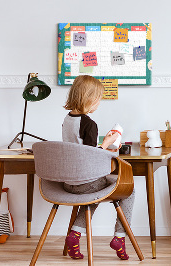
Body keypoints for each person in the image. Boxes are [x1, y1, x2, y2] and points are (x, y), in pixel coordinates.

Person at [62, 75, 135, 260]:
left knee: (93, 194)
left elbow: (80, 150)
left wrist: (105, 146)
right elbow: (91, 157)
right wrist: (107, 143)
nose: (98, 103)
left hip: (68, 182)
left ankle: (75, 235)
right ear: (89, 99)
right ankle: (120, 237)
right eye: (98, 99)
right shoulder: (89, 124)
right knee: (128, 189)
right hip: (85, 182)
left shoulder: (67, 120)